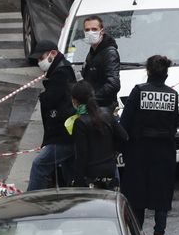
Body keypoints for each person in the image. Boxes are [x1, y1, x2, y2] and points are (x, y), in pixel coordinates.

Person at [120, 55, 179, 235]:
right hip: (164, 153)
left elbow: (124, 122)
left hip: (138, 153)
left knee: (137, 197)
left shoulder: (138, 91)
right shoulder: (172, 95)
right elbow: (174, 125)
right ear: (166, 74)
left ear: (148, 72)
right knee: (162, 198)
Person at [27, 40, 76, 191]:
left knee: (40, 165)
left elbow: (52, 99)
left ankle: (31, 199)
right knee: (69, 172)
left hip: (62, 135)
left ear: (52, 54)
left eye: (41, 58)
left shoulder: (61, 73)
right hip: (66, 133)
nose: (39, 63)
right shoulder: (60, 70)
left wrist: (43, 97)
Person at [67, 81, 127, 189]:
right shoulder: (106, 113)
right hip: (110, 171)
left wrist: (77, 183)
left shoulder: (80, 122)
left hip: (91, 175)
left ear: (75, 101)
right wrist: (112, 152)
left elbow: (81, 156)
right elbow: (124, 137)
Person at [81, 15, 121, 112]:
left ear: (102, 31)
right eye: (87, 30)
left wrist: (92, 99)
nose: (90, 33)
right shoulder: (93, 52)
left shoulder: (109, 53)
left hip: (104, 109)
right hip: (94, 108)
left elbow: (113, 84)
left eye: (94, 29)